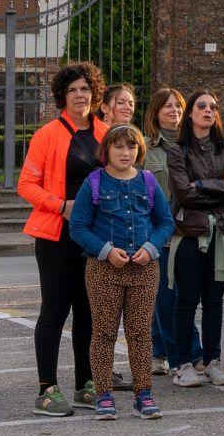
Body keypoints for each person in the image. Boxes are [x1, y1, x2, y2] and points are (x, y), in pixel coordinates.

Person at [19, 61, 108, 417]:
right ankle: (46, 389)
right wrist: (61, 205)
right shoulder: (47, 135)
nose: (80, 95)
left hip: (94, 236)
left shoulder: (106, 132)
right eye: (72, 90)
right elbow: (26, 184)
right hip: (56, 235)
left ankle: (85, 384)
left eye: (85, 88)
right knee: (54, 310)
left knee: (88, 311)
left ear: (94, 93)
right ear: (62, 95)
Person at [69, 123, 175, 420]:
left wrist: (150, 248)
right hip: (103, 270)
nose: (125, 152)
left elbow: (165, 222)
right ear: (107, 150)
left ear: (139, 150)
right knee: (103, 333)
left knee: (140, 333)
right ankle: (104, 395)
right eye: (118, 146)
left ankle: (144, 394)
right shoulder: (93, 183)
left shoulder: (148, 181)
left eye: (131, 146)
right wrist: (106, 251)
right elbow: (78, 228)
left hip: (144, 270)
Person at [167, 89, 224, 388]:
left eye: (213, 106)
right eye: (202, 106)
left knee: (214, 302)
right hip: (190, 234)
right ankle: (182, 364)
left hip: (220, 233)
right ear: (191, 113)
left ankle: (213, 361)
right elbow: (184, 194)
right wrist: (219, 187)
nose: (209, 110)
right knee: (186, 301)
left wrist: (201, 184)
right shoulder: (178, 150)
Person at [143, 87, 197, 376]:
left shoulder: (193, 144)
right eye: (167, 106)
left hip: (190, 229)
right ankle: (186, 354)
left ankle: (162, 351)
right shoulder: (145, 147)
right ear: (156, 112)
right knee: (165, 296)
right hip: (158, 232)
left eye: (178, 105)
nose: (174, 110)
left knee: (182, 296)